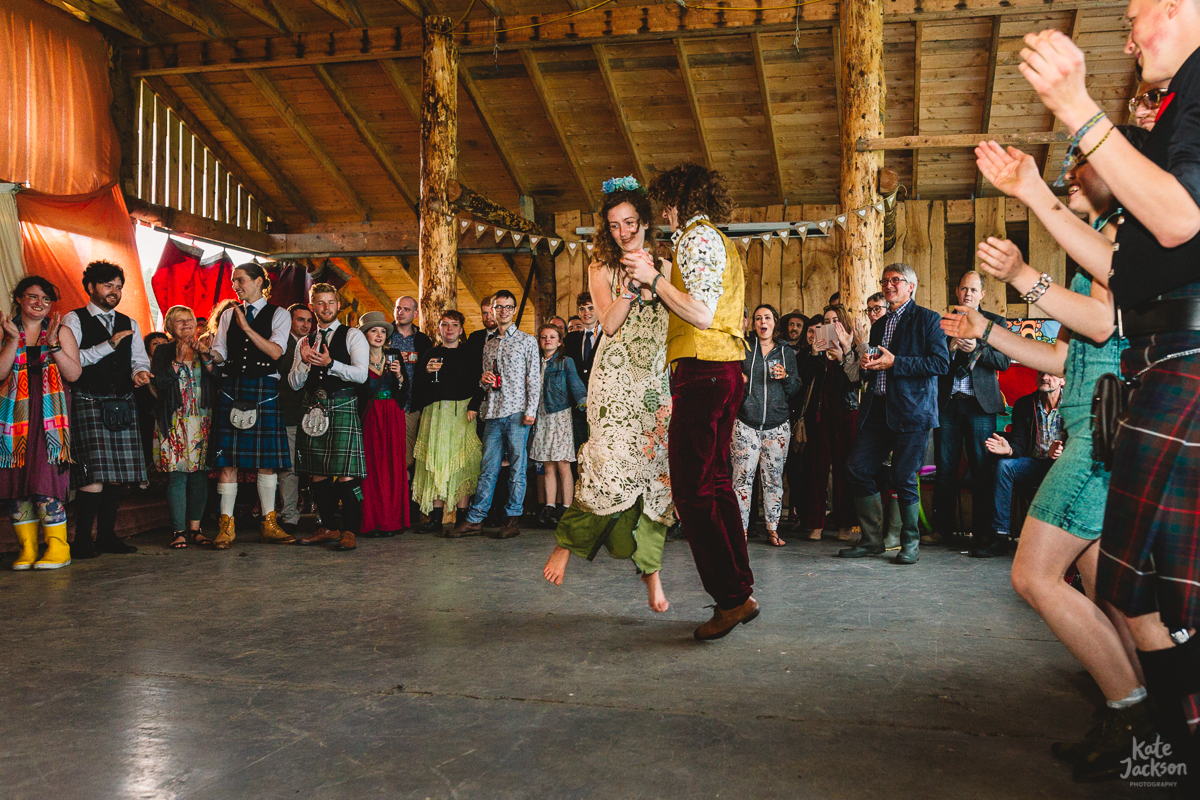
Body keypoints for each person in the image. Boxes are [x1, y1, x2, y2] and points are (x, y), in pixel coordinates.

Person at [963, 122, 1153, 780]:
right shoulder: (1096, 244)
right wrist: (987, 328)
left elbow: (1103, 322)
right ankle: (1133, 728)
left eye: (1082, 161)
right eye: (1068, 162)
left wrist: (1023, 276)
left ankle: (1137, 714)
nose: (1071, 170)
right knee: (1110, 601)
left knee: (1033, 577)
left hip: (1103, 442)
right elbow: (1070, 356)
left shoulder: (1125, 235)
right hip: (1090, 427)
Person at [624, 162, 756, 639]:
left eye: (665, 204)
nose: (664, 214)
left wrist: (656, 281)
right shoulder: (711, 239)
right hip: (720, 370)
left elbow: (699, 313)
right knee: (716, 484)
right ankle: (740, 589)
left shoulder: (696, 239)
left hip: (704, 370)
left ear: (676, 202)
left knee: (691, 492)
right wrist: (658, 273)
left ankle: (730, 600)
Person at [543, 180, 675, 613]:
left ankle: (652, 575)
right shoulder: (600, 265)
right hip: (615, 380)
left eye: (630, 223)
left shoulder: (667, 264)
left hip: (654, 382)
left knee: (656, 476)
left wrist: (654, 275)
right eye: (615, 225)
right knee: (607, 464)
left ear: (645, 222)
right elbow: (610, 324)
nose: (623, 232)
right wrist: (629, 284)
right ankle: (567, 543)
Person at [839, 263, 949, 566]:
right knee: (857, 469)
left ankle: (910, 543)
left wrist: (895, 363)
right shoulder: (880, 324)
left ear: (910, 286)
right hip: (878, 409)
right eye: (885, 281)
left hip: (913, 412)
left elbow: (940, 364)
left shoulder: (928, 319)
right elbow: (879, 364)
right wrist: (868, 366)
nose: (889, 286)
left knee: (903, 477)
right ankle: (872, 540)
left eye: (895, 281)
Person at [190, 263, 293, 549]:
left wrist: (246, 327)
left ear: (259, 281)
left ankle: (270, 523)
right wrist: (208, 353)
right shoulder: (226, 315)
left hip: (264, 388)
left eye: (241, 280)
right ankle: (226, 526)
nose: (235, 285)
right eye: (234, 281)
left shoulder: (280, 314)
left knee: (267, 463)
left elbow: (275, 351)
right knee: (228, 461)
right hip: (234, 388)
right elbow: (221, 353)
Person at [63, 261, 153, 557]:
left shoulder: (130, 322)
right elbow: (73, 361)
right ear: (91, 288)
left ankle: (107, 537)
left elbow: (139, 358)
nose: (115, 292)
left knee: (116, 474)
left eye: (118, 287)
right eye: (108, 286)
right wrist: (109, 345)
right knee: (93, 475)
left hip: (122, 402)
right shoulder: (73, 320)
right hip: (88, 399)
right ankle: (82, 541)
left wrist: (140, 372)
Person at [0, 277, 80, 569]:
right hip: (12, 418)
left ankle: (59, 549)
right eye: (33, 297)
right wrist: (11, 340)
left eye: (46, 299)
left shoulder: (61, 331)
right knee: (16, 485)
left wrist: (54, 345)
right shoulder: (5, 330)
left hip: (50, 418)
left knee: (45, 481)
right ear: (19, 298)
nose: (39, 304)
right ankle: (28, 549)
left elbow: (73, 375)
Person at [931, 272, 1011, 552]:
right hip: (948, 404)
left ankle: (982, 533)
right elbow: (933, 362)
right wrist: (950, 350)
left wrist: (977, 350)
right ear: (956, 291)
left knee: (981, 468)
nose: (968, 293)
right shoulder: (943, 322)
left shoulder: (995, 323)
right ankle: (943, 530)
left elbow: (1003, 361)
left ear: (982, 294)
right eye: (963, 288)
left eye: (973, 289)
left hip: (980, 405)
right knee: (945, 468)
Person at [451, 289, 540, 538]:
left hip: (517, 412)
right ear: (492, 310)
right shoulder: (488, 345)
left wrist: (531, 411)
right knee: (488, 467)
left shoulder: (527, 340)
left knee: (517, 468)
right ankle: (476, 518)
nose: (503, 311)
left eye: (508, 307)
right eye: (498, 307)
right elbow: (485, 382)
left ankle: (512, 519)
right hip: (492, 412)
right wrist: (484, 380)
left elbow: (533, 378)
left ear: (513, 310)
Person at [289, 285, 369, 551]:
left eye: (331, 302)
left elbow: (361, 375)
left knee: (346, 473)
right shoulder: (304, 340)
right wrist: (303, 363)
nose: (326, 308)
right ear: (313, 306)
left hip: (342, 404)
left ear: (338, 304)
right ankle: (327, 527)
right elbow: (294, 383)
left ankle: (349, 530)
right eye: (320, 303)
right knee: (316, 473)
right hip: (313, 407)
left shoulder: (353, 335)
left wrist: (331, 364)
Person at [730, 304, 798, 547]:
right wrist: (740, 381)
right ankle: (741, 530)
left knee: (773, 479)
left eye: (766, 317)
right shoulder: (745, 348)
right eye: (758, 318)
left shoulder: (786, 352)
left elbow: (796, 388)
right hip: (746, 423)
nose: (762, 322)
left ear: (774, 322)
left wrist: (786, 377)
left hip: (777, 425)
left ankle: (772, 529)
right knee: (741, 480)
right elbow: (732, 380)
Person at [412, 310, 482, 536]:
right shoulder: (431, 353)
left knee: (461, 463)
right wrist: (425, 371)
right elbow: (419, 387)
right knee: (435, 462)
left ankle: (462, 516)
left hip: (462, 412)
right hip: (435, 413)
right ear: (439, 329)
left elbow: (480, 382)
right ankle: (436, 517)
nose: (449, 329)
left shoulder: (470, 353)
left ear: (461, 330)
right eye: (445, 325)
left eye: (454, 325)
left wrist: (474, 406)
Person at [794, 304, 861, 542]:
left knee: (845, 468)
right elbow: (802, 380)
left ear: (843, 323)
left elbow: (855, 381)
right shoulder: (815, 350)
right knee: (816, 467)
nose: (830, 324)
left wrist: (843, 355)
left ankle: (847, 523)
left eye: (835, 320)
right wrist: (814, 354)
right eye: (826, 320)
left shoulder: (854, 348)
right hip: (820, 413)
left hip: (846, 412)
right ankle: (815, 523)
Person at [151, 306, 216, 549]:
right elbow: (159, 382)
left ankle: (196, 530)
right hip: (173, 420)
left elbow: (218, 377)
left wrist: (207, 355)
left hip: (202, 419)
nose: (186, 324)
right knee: (177, 475)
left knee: (200, 475)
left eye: (189, 319)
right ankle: (178, 531)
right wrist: (177, 361)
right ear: (169, 327)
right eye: (179, 321)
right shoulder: (164, 351)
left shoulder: (205, 348)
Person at [981, 372, 1066, 558]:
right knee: (1004, 466)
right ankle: (1000, 537)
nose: (1044, 377)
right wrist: (1009, 450)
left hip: (1063, 467)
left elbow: (1085, 443)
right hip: (1034, 463)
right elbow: (1019, 444)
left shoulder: (1074, 406)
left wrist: (1063, 452)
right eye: (1041, 373)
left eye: (1051, 374)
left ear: (1063, 380)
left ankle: (1060, 544)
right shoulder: (1025, 404)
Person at [355, 311, 409, 538]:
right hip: (369, 417)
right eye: (373, 330)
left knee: (393, 468)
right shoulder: (356, 358)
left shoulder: (394, 355)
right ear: (364, 334)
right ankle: (371, 521)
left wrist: (399, 378)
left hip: (392, 416)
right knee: (371, 469)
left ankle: (391, 521)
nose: (379, 335)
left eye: (382, 331)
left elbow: (404, 394)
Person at [530, 323, 586, 527]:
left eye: (552, 337)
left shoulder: (565, 362)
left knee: (563, 462)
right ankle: (550, 505)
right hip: (541, 416)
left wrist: (585, 404)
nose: (548, 341)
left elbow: (576, 384)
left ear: (560, 341)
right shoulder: (535, 362)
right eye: (544, 337)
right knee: (547, 464)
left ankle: (567, 506)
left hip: (560, 415)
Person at [390, 295, 434, 501]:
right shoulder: (385, 334)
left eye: (406, 309)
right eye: (398, 308)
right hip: (387, 402)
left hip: (411, 405)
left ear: (415, 314)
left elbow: (428, 375)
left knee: (408, 458)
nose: (401, 312)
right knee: (387, 455)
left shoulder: (423, 340)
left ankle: (406, 503)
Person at [276, 303, 313, 534]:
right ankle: (289, 515)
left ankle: (320, 513)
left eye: (309, 320)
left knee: (317, 467)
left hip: (314, 414)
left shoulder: (317, 342)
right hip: (288, 411)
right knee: (289, 467)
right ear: (290, 321)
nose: (305, 325)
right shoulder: (280, 345)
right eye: (300, 319)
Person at [464, 294, 495, 363]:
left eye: (492, 313)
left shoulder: (508, 337)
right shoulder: (474, 337)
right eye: (485, 313)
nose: (488, 317)